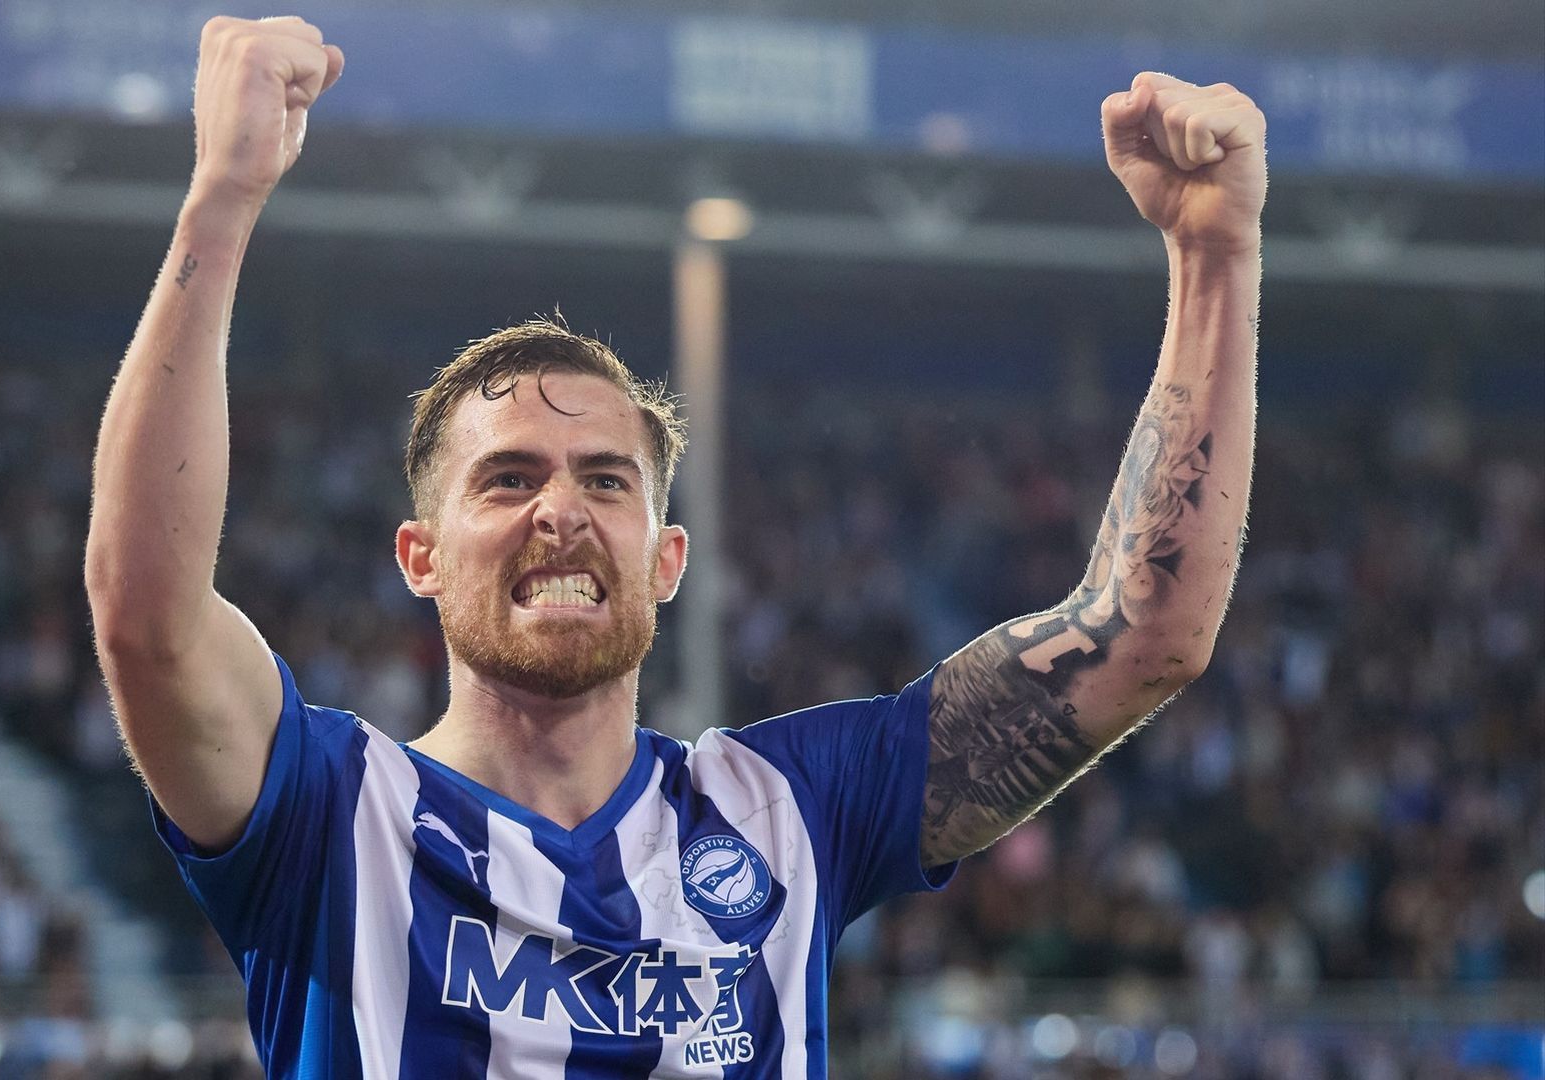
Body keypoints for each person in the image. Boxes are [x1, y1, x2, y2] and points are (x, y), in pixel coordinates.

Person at [83, 15, 1265, 1077]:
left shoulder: (790, 814)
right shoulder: (329, 817)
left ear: (667, 561)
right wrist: (223, 195)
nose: (561, 509)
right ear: (420, 556)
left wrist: (1216, 259)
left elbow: (1143, 632)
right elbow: (147, 618)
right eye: (506, 480)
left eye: (606, 479)